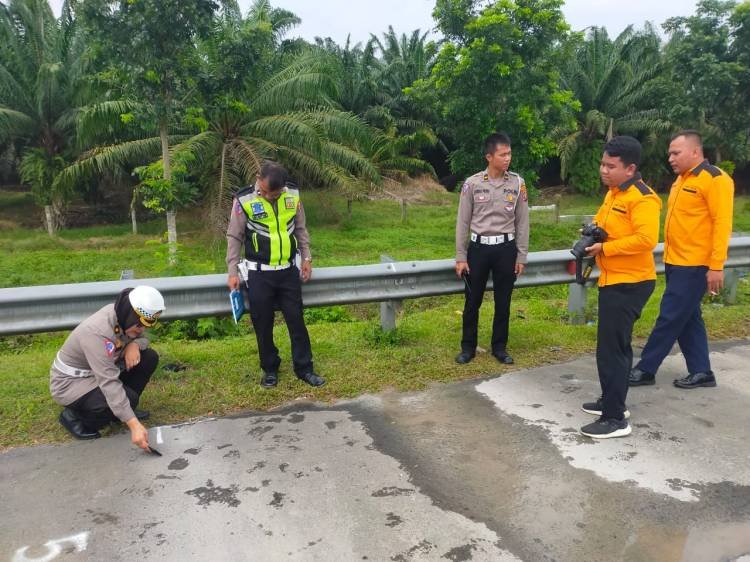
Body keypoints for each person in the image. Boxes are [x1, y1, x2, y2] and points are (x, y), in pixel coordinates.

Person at [630, 130, 734, 389]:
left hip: (696, 263)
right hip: (676, 261)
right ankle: (702, 371)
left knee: (670, 316)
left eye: (676, 153)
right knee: (688, 317)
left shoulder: (715, 179)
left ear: (695, 152)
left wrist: (716, 266)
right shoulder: (681, 180)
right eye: (669, 153)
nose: (671, 158)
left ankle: (646, 368)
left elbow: (722, 224)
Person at [578, 136, 661, 439]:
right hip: (613, 279)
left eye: (610, 166)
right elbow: (605, 224)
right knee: (609, 347)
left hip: (631, 282)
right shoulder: (614, 193)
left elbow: (646, 240)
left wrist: (604, 249)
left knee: (614, 350)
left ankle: (615, 420)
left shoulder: (643, 198)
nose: (603, 170)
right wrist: (592, 233)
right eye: (602, 163)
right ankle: (612, 402)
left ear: (630, 168)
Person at [226, 161, 325, 388]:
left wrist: (307, 258)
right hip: (259, 274)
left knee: (296, 320)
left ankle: (304, 368)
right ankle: (270, 368)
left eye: (274, 193)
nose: (270, 196)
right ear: (258, 179)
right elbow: (234, 237)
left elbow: (300, 229)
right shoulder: (244, 200)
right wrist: (232, 270)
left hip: (288, 272)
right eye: (267, 191)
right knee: (263, 323)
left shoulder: (292, 196)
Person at [50, 285, 164, 450]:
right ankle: (74, 416)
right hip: (71, 383)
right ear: (129, 314)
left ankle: (123, 410)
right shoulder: (97, 332)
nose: (142, 329)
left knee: (149, 357)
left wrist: (135, 345)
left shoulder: (124, 318)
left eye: (146, 326)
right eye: (139, 325)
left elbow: (144, 340)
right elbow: (108, 381)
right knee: (127, 398)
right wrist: (133, 424)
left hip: (97, 372)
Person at [454, 132, 529, 365]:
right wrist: (460, 256)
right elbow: (463, 222)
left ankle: (500, 347)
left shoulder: (517, 183)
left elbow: (523, 221)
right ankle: (468, 347)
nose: (507, 158)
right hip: (478, 249)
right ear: (489, 156)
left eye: (509, 153)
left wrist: (521, 256)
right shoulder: (472, 183)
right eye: (502, 154)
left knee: (503, 302)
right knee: (472, 301)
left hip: (506, 249)